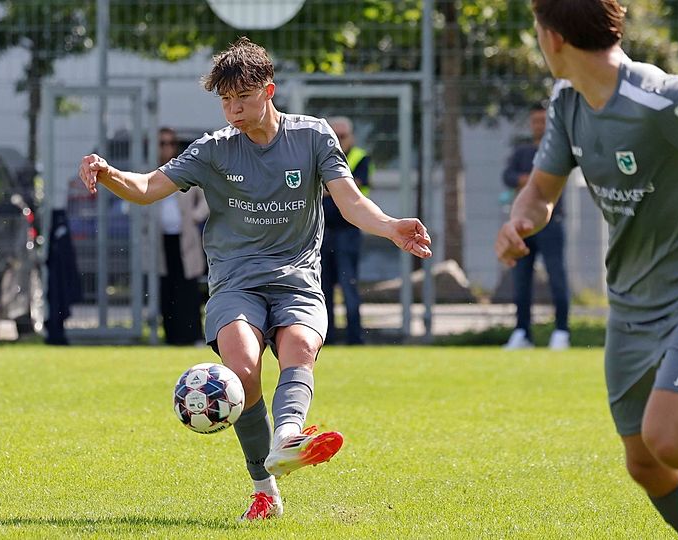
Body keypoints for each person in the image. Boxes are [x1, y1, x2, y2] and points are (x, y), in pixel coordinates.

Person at [79, 37, 431, 521]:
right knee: (243, 371)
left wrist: (391, 227)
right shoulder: (214, 150)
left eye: (242, 98)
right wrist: (108, 172)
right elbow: (146, 188)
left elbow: (350, 202)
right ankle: (265, 489)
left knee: (299, 346)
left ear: (269, 90)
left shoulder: (313, 136)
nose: (234, 111)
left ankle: (288, 437)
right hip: (235, 281)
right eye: (225, 101)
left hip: (297, 278)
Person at [495, 1, 678, 538]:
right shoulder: (568, 101)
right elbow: (541, 190)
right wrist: (521, 221)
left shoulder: (659, 98)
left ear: (553, 37)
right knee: (646, 462)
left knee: (670, 436)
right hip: (634, 302)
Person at [501, 103, 570, 350]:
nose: (539, 125)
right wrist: (530, 181)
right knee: (521, 279)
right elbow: (508, 176)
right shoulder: (522, 152)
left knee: (556, 276)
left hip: (551, 224)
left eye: (543, 121)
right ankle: (522, 332)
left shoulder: (557, 150)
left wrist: (536, 181)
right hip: (523, 227)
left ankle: (561, 331)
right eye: (535, 121)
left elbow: (551, 180)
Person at [155, 127, 209, 345]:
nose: (166, 148)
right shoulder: (151, 172)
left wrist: (195, 216)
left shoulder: (184, 169)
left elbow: (206, 198)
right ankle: (171, 336)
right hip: (161, 241)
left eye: (170, 143)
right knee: (166, 287)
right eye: (162, 143)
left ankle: (192, 334)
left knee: (187, 287)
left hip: (185, 239)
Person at [321, 116, 371, 345]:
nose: (339, 141)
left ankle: (354, 337)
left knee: (348, 285)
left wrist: (329, 187)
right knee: (323, 288)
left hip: (348, 232)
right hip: (322, 232)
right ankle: (327, 337)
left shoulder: (361, 158)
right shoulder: (321, 156)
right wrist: (338, 187)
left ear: (352, 137)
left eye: (343, 136)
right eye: (335, 136)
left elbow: (355, 186)